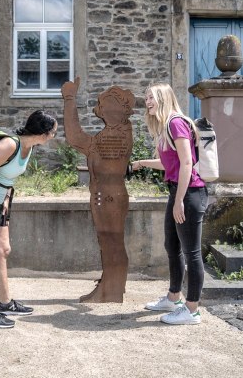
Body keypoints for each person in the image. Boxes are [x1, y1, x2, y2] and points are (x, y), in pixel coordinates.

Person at [0, 110, 57, 329]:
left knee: (3, 250)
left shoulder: (30, 147)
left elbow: (7, 177)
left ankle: (5, 303)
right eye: (53, 131)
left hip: (0, 200)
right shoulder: (9, 145)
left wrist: (5, 201)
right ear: (44, 133)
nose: (54, 135)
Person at [132, 83, 208, 325]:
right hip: (178, 190)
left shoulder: (176, 123)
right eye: (146, 97)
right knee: (171, 246)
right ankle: (174, 297)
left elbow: (187, 164)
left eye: (151, 97)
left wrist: (179, 202)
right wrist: (143, 162)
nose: (147, 101)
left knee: (192, 253)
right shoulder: (166, 126)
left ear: (163, 98)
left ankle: (192, 310)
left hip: (190, 193)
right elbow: (170, 165)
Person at [62, 77, 134, 302]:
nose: (102, 110)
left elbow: (76, 138)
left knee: (111, 240)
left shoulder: (114, 135)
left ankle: (111, 290)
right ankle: (111, 285)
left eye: (107, 106)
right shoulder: (116, 132)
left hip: (109, 197)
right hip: (108, 195)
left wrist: (70, 99)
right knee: (109, 240)